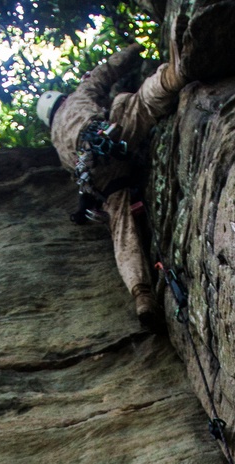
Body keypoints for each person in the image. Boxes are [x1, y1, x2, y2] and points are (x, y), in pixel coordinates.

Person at [37, 41, 184, 329]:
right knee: (134, 104)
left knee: (122, 230)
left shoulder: (57, 143)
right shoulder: (77, 97)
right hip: (107, 136)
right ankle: (173, 76)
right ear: (60, 99)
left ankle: (141, 294)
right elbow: (105, 72)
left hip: (99, 175)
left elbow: (79, 180)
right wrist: (132, 50)